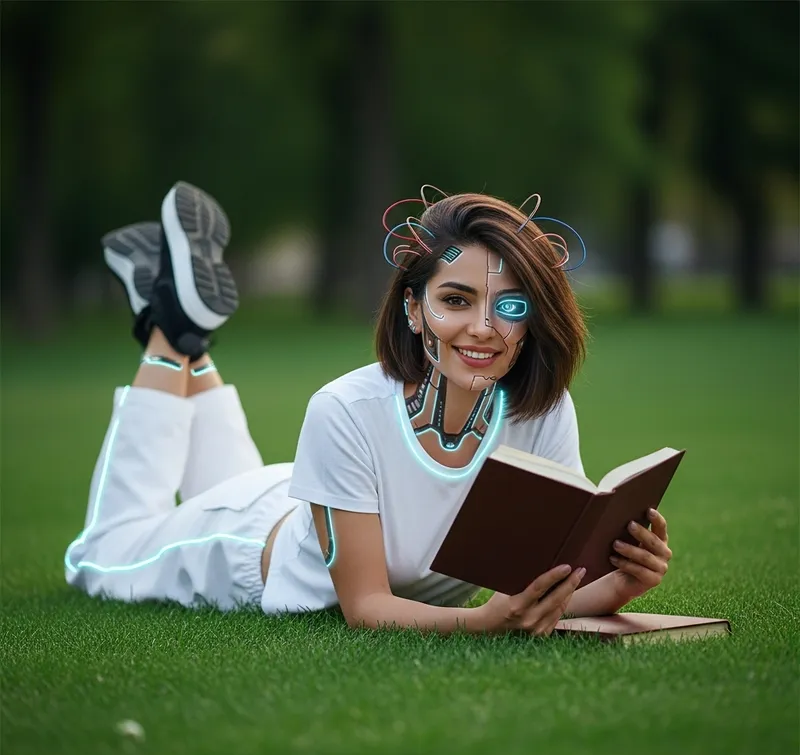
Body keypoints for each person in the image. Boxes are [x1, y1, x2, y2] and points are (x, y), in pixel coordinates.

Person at [64, 182, 672, 636]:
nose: (484, 328)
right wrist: (480, 623)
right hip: (240, 543)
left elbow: (531, 594)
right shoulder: (344, 410)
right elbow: (365, 607)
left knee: (223, 477)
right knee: (99, 555)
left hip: (321, 495)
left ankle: (178, 320)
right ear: (412, 309)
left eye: (510, 308)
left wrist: (621, 583)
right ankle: (170, 334)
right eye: (456, 300)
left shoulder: (542, 411)